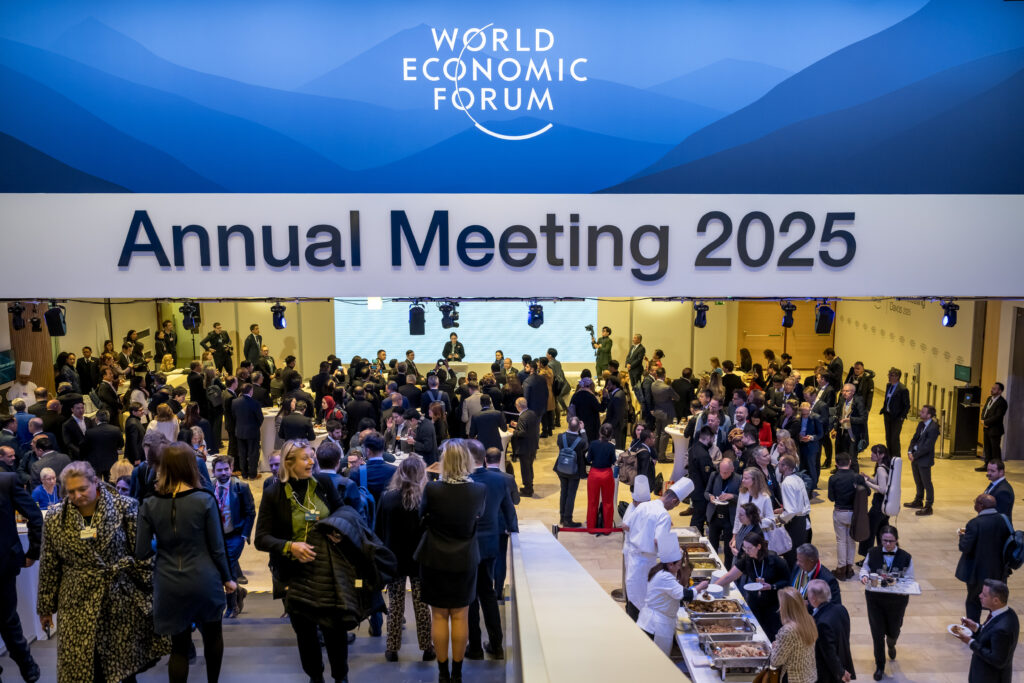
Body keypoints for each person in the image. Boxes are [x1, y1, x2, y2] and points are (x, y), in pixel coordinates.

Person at [38, 461, 169, 682]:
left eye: (82, 489)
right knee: (83, 668)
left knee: (122, 670)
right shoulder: (55, 518)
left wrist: (147, 593)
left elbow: (144, 554)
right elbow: (49, 565)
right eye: (71, 491)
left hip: (118, 598)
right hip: (76, 602)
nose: (77, 496)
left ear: (95, 482)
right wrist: (45, 608)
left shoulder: (125, 507)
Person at [255, 439, 354, 683]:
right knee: (306, 634)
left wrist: (338, 527)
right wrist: (290, 546)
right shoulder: (274, 493)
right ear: (289, 463)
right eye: (305, 458)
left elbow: (344, 512)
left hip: (328, 572)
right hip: (294, 575)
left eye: (312, 456)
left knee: (335, 631)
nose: (312, 461)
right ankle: (315, 677)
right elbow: (261, 538)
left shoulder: (324, 484)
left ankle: (341, 677)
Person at [136, 444, 234, 682]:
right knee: (213, 637)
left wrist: (163, 545)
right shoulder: (205, 499)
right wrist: (228, 578)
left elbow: (142, 551)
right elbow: (217, 547)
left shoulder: (149, 503)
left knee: (179, 648)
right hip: (204, 578)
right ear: (192, 466)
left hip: (168, 582)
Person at [415, 440, 487, 683]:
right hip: (465, 558)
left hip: (434, 557)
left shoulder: (433, 489)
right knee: (460, 615)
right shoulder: (479, 490)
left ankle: (442, 673)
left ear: (444, 461)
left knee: (438, 615)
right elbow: (479, 515)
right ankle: (457, 673)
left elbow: (421, 516)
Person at [376, 456, 435, 663]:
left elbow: (378, 530)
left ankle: (392, 648)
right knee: (422, 604)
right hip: (420, 559)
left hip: (394, 559)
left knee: (395, 605)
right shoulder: (426, 499)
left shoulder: (387, 498)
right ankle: (427, 648)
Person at [465, 440, 517, 661]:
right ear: (484, 458)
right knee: (487, 593)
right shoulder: (499, 480)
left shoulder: (465, 481)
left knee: (470, 597)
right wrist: (514, 532)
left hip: (468, 546)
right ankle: (496, 645)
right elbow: (509, 510)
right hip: (489, 545)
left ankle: (475, 646)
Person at [621, 479, 693, 620]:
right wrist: (676, 551)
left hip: (633, 558)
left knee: (633, 597)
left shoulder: (643, 506)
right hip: (646, 564)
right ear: (674, 502)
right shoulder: (663, 515)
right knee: (642, 603)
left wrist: (641, 535)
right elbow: (658, 541)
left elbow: (626, 525)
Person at [1, 468, 43, 682]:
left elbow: (36, 517)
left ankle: (27, 665)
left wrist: (33, 552)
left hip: (3, 566)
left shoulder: (6, 482)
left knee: (8, 620)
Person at [860, 526, 913, 680]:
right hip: (875, 598)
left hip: (897, 600)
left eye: (891, 541)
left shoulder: (906, 557)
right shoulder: (872, 552)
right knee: (877, 634)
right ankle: (880, 666)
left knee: (894, 630)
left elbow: (910, 578)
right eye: (885, 541)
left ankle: (891, 643)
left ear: (896, 540)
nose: (888, 544)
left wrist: (902, 586)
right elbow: (864, 569)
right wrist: (864, 577)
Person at [714, 531, 789, 638]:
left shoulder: (775, 560)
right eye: (744, 548)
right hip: (755, 601)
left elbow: (787, 581)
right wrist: (711, 588)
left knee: (771, 634)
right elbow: (729, 576)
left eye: (749, 548)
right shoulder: (747, 559)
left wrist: (772, 586)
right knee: (755, 631)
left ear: (758, 546)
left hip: (774, 604)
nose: (746, 551)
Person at [637, 542, 708, 654]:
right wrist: (701, 586)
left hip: (655, 619)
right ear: (670, 564)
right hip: (656, 625)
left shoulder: (661, 569)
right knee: (658, 658)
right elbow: (686, 595)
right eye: (679, 565)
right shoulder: (664, 577)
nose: (680, 568)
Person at [957, 493, 1011, 623]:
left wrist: (962, 536)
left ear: (980, 506)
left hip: (977, 571)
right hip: (998, 570)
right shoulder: (1004, 520)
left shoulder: (975, 523)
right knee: (996, 602)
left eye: (975, 502)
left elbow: (965, 547)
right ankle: (992, 626)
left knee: (973, 600)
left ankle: (973, 628)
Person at [211, 455, 255, 615]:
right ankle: (239, 591)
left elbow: (250, 512)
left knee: (229, 566)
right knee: (220, 567)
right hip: (217, 536)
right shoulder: (210, 487)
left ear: (231, 469)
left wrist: (245, 534)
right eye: (219, 470)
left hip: (235, 535)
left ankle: (232, 606)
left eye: (226, 469)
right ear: (214, 472)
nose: (223, 473)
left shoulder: (241, 487)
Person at [955, 579, 1018, 683]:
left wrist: (970, 642)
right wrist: (976, 627)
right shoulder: (1008, 613)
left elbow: (997, 660)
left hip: (989, 678)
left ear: (996, 601)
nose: (980, 596)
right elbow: (991, 634)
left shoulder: (1002, 629)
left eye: (984, 595)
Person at [807, 579, 854, 683]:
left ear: (814, 599)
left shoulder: (821, 623)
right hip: (843, 660)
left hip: (827, 673)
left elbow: (829, 653)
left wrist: (840, 672)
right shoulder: (841, 609)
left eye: (808, 594)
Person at [770, 587, 818, 683]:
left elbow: (775, 661)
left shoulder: (788, 631)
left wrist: (775, 648)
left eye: (781, 605)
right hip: (809, 676)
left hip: (793, 679)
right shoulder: (809, 620)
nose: (780, 609)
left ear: (786, 608)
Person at [827, 452, 864, 580]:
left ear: (836, 464)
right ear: (850, 462)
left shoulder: (833, 478)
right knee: (851, 540)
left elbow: (831, 498)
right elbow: (867, 492)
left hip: (840, 512)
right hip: (854, 513)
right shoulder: (857, 477)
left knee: (841, 541)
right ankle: (849, 568)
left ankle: (841, 569)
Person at [857, 445, 894, 564]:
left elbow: (882, 489)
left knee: (869, 531)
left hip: (878, 505)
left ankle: (867, 558)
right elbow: (880, 483)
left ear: (881, 455)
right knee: (882, 533)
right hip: (885, 506)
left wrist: (866, 483)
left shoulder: (880, 469)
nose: (871, 455)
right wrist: (869, 478)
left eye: (874, 453)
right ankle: (884, 557)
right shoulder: (886, 467)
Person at [904, 404, 939, 516]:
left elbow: (927, 446)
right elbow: (914, 439)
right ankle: (918, 500)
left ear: (929, 415)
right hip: (915, 457)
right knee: (918, 481)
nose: (920, 413)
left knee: (927, 483)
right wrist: (910, 451)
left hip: (924, 459)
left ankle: (928, 506)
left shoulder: (933, 428)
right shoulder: (921, 424)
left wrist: (915, 455)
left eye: (923, 412)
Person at [705, 456, 740, 567]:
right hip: (714, 515)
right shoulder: (714, 475)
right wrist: (710, 497)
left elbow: (742, 498)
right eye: (721, 472)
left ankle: (727, 570)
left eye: (725, 473)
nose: (722, 475)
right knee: (712, 545)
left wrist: (732, 496)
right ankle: (713, 568)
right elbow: (706, 492)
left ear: (732, 469)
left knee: (728, 549)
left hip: (729, 517)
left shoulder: (739, 479)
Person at [777, 455, 811, 566]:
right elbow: (802, 502)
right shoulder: (798, 478)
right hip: (803, 520)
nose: (777, 466)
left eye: (779, 464)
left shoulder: (787, 483)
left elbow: (791, 511)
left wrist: (780, 519)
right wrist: (783, 509)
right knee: (799, 555)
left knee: (791, 556)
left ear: (785, 467)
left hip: (794, 523)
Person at [554, 417, 588, 528]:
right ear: (578, 427)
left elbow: (560, 444)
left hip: (561, 468)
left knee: (563, 492)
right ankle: (568, 520)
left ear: (568, 425)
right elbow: (586, 447)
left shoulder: (560, 437)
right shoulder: (581, 440)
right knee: (571, 494)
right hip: (574, 471)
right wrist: (582, 431)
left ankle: (562, 517)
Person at [585, 423, 617, 533]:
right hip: (607, 474)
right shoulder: (611, 446)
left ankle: (591, 528)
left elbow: (589, 459)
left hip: (594, 474)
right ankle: (607, 529)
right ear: (611, 435)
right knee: (608, 502)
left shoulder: (593, 444)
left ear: (600, 432)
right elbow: (613, 461)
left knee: (592, 502)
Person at [231, 383, 264, 480]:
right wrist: (256, 427)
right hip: (252, 432)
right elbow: (260, 418)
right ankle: (252, 474)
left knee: (242, 453)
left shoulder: (234, 402)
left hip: (240, 431)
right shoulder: (255, 403)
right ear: (250, 391)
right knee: (253, 454)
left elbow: (234, 416)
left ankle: (244, 474)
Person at [509, 397, 540, 497]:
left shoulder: (522, 417)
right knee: (529, 466)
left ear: (518, 406)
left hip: (525, 447)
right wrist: (517, 425)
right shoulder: (532, 413)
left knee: (525, 469)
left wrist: (513, 431)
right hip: (533, 445)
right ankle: (530, 484)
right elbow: (529, 427)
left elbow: (522, 432)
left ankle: (528, 490)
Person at [879, 368, 910, 459]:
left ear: (897, 377)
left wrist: (902, 417)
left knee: (894, 439)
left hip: (897, 418)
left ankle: (896, 459)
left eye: (891, 375)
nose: (889, 377)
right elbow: (887, 399)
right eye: (889, 375)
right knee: (888, 438)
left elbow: (907, 405)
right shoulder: (888, 385)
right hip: (887, 415)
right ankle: (890, 457)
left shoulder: (903, 389)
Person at [980, 381, 1008, 470]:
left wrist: (986, 422)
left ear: (1000, 391)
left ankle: (997, 468)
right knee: (987, 448)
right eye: (992, 388)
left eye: (994, 389)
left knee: (995, 450)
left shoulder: (1002, 402)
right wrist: (982, 420)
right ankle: (987, 465)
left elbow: (998, 416)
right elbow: (984, 410)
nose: (992, 390)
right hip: (986, 428)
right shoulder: (989, 399)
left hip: (995, 430)